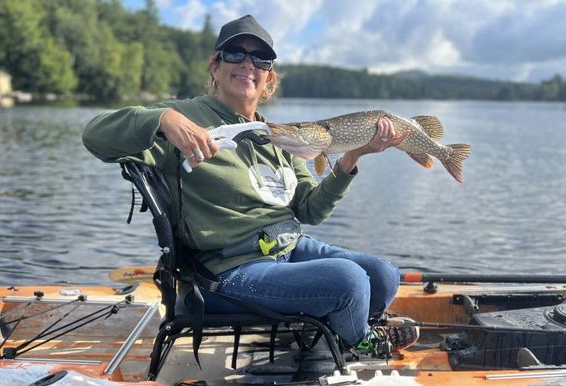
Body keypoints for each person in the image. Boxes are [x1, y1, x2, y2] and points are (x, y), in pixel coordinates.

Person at [83, 15, 418, 356]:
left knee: (383, 274)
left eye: (261, 59)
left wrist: (351, 157)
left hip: (286, 250)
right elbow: (95, 134)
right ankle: (358, 341)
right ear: (215, 66)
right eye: (234, 54)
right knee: (349, 281)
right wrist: (162, 119)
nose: (247, 64)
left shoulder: (279, 134)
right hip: (228, 273)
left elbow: (310, 210)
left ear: (268, 78)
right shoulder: (186, 117)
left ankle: (339, 326)